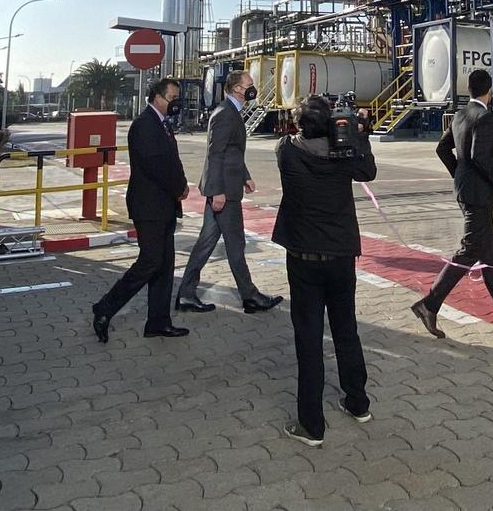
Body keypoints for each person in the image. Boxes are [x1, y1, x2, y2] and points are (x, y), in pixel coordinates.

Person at [273, 94, 377, 446]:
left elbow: (290, 137)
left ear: (298, 124)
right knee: (346, 330)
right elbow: (369, 171)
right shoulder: (344, 154)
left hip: (304, 259)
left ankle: (311, 424)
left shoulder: (287, 151)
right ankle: (358, 402)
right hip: (341, 257)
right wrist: (358, 131)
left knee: (309, 340)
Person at [410, 69, 493, 337]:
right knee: (468, 250)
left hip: (465, 190)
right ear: (489, 92)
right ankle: (429, 304)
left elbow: (442, 149)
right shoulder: (485, 117)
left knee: (487, 254)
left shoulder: (459, 115)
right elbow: (481, 156)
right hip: (478, 194)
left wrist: (458, 173)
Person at [176, 69, 282, 314]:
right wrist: (217, 191)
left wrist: (245, 176)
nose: (253, 88)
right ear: (237, 89)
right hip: (224, 190)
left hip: (227, 185)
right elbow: (216, 153)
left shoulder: (232, 112)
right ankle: (250, 296)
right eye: (250, 84)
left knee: (206, 243)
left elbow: (232, 152)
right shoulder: (225, 114)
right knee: (236, 244)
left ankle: (186, 294)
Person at [92, 79, 191, 342]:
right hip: (149, 207)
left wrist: (181, 186)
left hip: (165, 206)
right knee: (150, 262)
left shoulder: (162, 124)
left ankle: (158, 322)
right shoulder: (144, 125)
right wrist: (178, 188)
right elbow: (156, 166)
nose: (176, 104)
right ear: (157, 98)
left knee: (164, 265)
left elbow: (172, 160)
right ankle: (105, 308)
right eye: (172, 98)